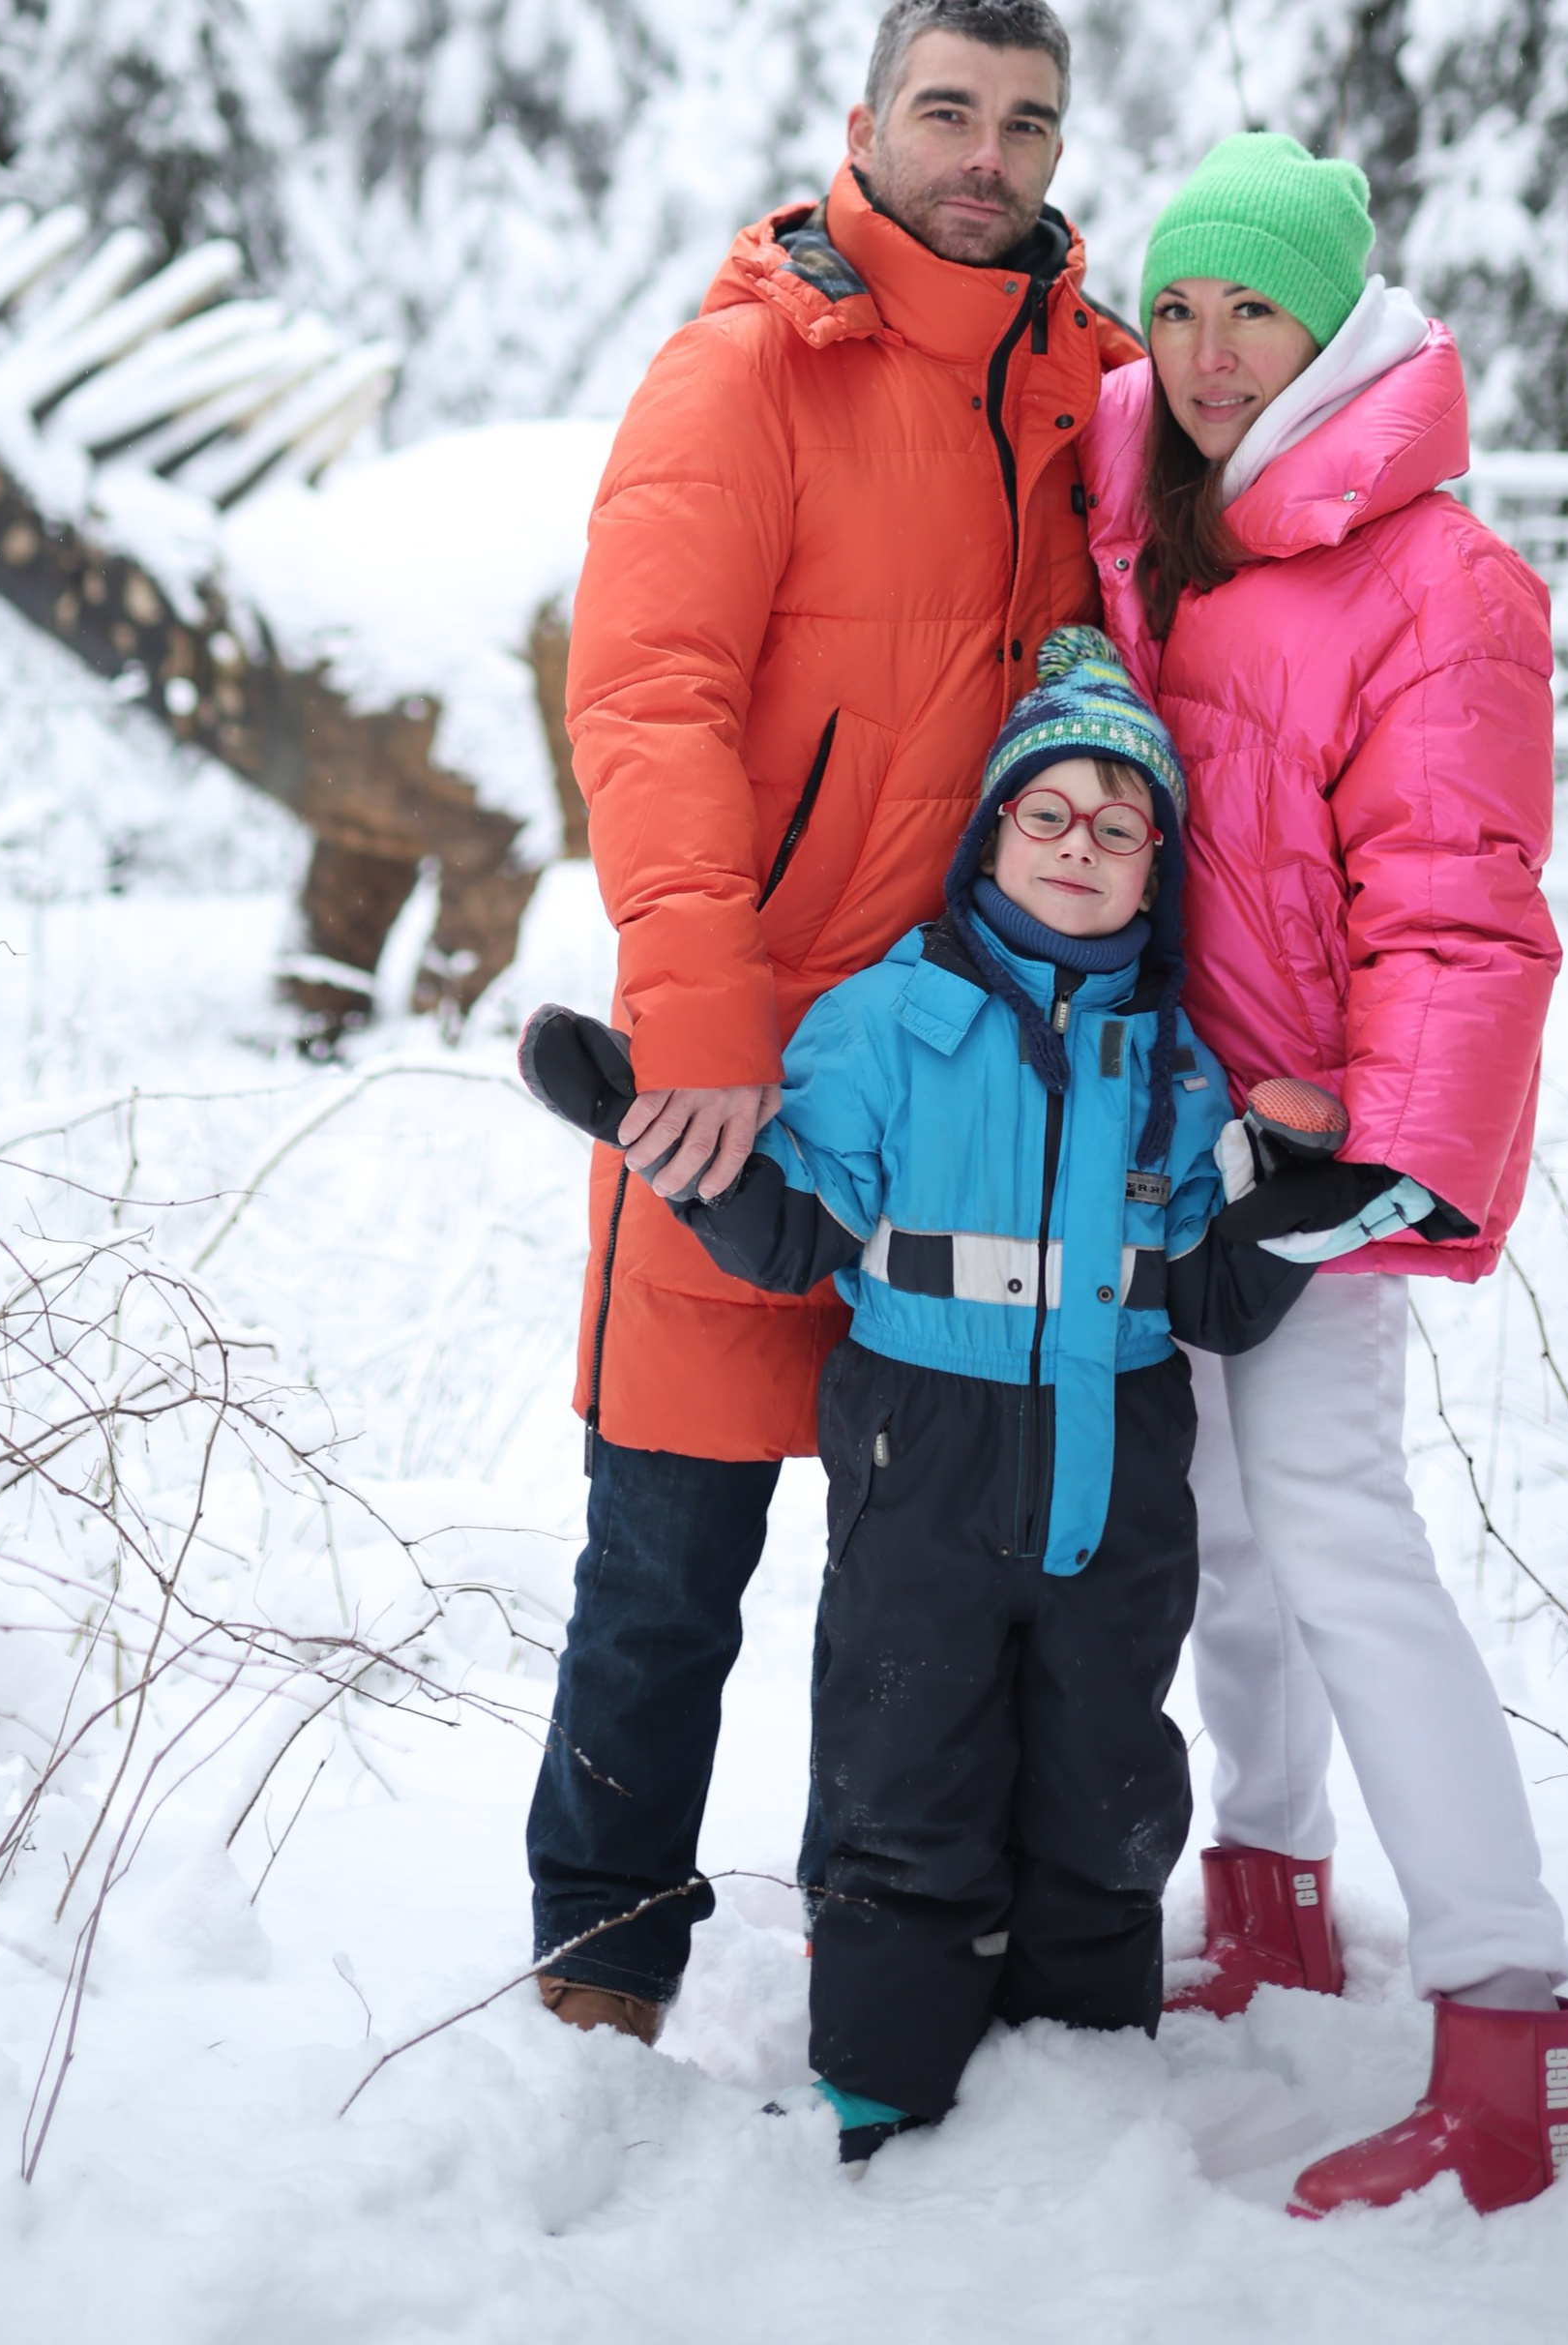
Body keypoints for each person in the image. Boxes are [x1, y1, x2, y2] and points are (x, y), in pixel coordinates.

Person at [529, 0, 1144, 2039]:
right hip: (756, 1063)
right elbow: (646, 701)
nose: (988, 159)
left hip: (991, 1103)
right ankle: (602, 1969)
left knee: (932, 1596)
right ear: (866, 122)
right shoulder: (742, 376)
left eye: (1027, 124)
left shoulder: (1093, 391)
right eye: (951, 111)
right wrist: (697, 1016)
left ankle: (894, 1954)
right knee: (668, 1554)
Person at [527, 631, 1348, 2156]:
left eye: (1118, 826)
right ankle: (885, 2073)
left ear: (1156, 865)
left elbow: (1219, 1296)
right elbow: (791, 1223)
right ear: (989, 833)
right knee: (905, 1777)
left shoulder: (1177, 1065)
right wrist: (646, 1122)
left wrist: (1300, 1189)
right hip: (924, 1483)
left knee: (1107, 1788)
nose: (1079, 848)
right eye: (1047, 814)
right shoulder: (888, 1025)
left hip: (1115, 1503)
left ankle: (1079, 2080)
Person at [1082, 129, 1568, 2218]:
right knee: (1214, 1529)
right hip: (1156, 1131)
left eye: (1250, 310)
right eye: (1176, 308)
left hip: (1306, 1153)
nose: (1207, 351)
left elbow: (1458, 906)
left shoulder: (1435, 579)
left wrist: (1382, 1162)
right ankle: (1267, 1898)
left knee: (1336, 1531)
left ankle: (1501, 2024)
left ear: (1333, 320)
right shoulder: (1144, 526)